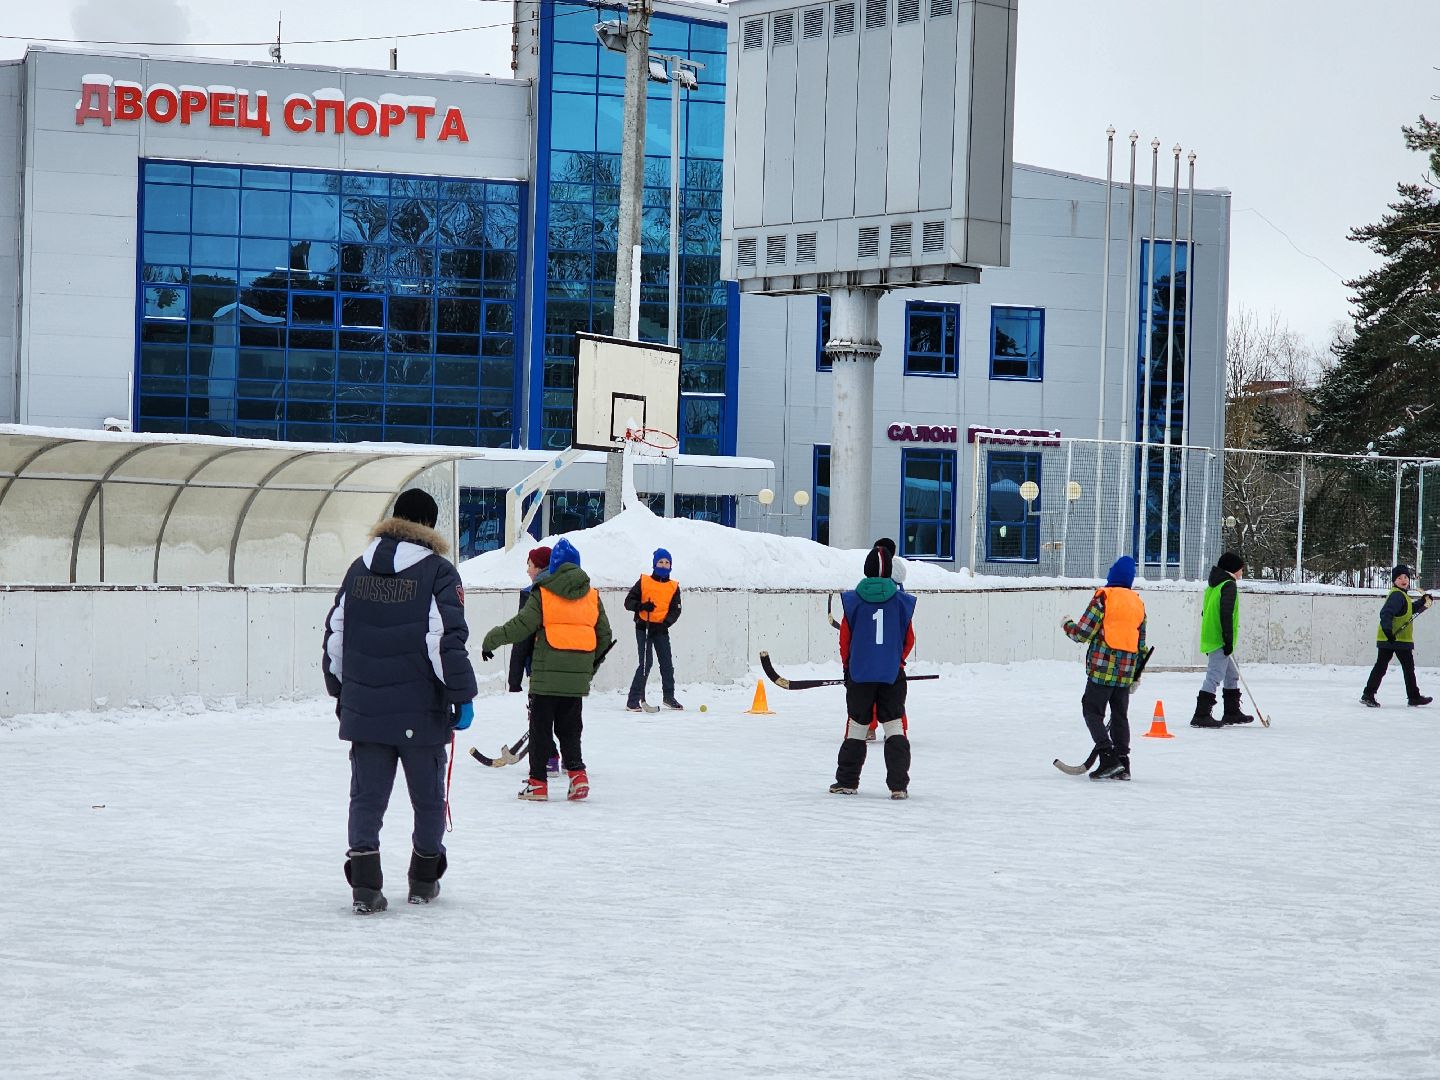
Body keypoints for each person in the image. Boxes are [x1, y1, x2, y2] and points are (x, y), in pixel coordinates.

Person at [322, 488, 477, 914]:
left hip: (366, 709)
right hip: (420, 711)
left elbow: (336, 635)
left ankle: (365, 887)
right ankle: (424, 881)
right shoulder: (439, 573)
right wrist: (461, 695)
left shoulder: (358, 570)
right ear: (429, 525)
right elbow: (444, 641)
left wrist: (342, 691)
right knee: (427, 799)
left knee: (366, 799)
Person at [482, 537, 613, 801]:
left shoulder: (543, 592)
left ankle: (538, 784)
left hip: (545, 677)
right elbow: (605, 636)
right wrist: (586, 665)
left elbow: (522, 626)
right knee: (571, 729)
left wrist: (492, 639)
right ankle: (577, 777)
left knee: (541, 730)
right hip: (576, 680)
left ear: (553, 565)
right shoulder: (592, 596)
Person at [830, 544, 916, 799]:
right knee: (894, 727)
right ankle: (898, 786)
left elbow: (845, 640)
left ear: (866, 570)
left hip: (860, 675)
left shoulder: (853, 601)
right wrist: (894, 660)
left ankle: (847, 781)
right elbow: (908, 639)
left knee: (857, 727)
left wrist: (848, 667)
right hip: (892, 674)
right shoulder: (902, 602)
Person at [1062, 555, 1147, 780]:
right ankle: (1123, 764)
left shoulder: (1104, 597)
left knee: (1091, 710)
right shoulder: (1138, 603)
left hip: (1102, 668)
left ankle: (1108, 757)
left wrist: (1066, 625)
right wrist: (1137, 674)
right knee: (1120, 716)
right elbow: (1141, 643)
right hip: (1126, 671)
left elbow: (1082, 633)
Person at [508, 545, 559, 775]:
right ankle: (568, 757)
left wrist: (514, 676)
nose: (527, 570)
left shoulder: (532, 593)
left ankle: (550, 755)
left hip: (539, 664)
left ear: (539, 567)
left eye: (529, 565)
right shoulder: (566, 589)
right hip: (566, 663)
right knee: (564, 712)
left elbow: (522, 635)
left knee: (539, 713)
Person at [1192, 551, 1254, 728]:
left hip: (1213, 637)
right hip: (1219, 639)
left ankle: (1232, 712)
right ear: (1233, 569)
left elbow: (1206, 612)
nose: (1242, 573)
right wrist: (1227, 639)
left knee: (1232, 674)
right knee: (1214, 675)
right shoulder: (1228, 585)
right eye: (1241, 569)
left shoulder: (1213, 586)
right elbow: (1225, 614)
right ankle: (1201, 714)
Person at [1361, 564, 1433, 707]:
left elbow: (1408, 610)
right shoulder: (1397, 595)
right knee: (1403, 668)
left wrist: (1423, 602)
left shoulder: (1402, 596)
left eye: (1405, 577)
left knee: (1385, 667)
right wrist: (1388, 631)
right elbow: (1386, 613)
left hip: (1396, 639)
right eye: (1399, 578)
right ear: (1394, 581)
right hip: (1393, 638)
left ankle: (1369, 694)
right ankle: (1413, 697)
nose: (1403, 580)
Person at [624, 548, 684, 712]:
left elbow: (676, 610)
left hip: (660, 629)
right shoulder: (644, 582)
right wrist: (641, 606)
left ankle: (669, 697)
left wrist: (665, 624)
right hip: (643, 627)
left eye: (667, 563)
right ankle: (633, 700)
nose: (664, 566)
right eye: (661, 562)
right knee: (646, 663)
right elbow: (628, 602)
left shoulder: (673, 586)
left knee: (666, 663)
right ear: (654, 564)